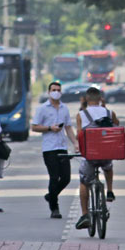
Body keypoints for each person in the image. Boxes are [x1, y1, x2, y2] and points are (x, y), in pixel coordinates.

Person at [31, 82, 80, 219]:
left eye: (58, 90)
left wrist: (75, 142)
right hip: (49, 148)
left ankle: (51, 195)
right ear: (48, 92)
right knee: (54, 177)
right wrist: (49, 128)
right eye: (53, 90)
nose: (56, 92)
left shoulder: (64, 108)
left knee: (66, 178)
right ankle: (54, 207)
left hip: (62, 146)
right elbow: (34, 127)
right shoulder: (42, 109)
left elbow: (68, 128)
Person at [74, 87, 119, 229]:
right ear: (100, 99)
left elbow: (79, 135)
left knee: (84, 181)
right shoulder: (109, 113)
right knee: (108, 166)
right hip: (106, 154)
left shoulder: (81, 114)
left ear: (86, 99)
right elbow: (116, 126)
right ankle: (110, 190)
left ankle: (85, 214)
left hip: (90, 156)